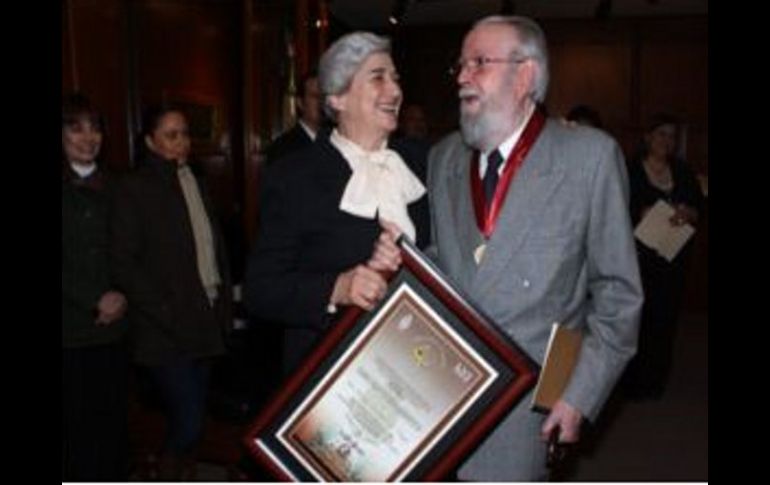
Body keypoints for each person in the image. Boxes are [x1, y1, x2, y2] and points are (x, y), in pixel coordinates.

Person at [370, 16, 643, 480]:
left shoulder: (589, 158)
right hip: (438, 391)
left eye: (479, 63)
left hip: (526, 406)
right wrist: (402, 263)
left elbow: (618, 295)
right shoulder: (444, 157)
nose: (461, 77)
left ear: (526, 76)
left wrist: (580, 395)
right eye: (461, 65)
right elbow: (456, 263)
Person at [243, 31, 429, 379]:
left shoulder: (420, 164)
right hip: (331, 373)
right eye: (378, 78)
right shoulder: (295, 176)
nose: (395, 91)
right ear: (338, 98)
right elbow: (261, 290)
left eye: (395, 79)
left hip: (411, 368)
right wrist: (337, 288)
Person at [111, 104, 232, 480]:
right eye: (170, 135)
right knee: (190, 421)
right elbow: (123, 263)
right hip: (163, 328)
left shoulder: (194, 178)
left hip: (204, 317)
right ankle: (163, 471)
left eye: (184, 134)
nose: (182, 143)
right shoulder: (133, 187)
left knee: (194, 421)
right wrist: (162, 307)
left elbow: (209, 246)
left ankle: (184, 473)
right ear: (149, 141)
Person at [62, 93, 129, 481]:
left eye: (95, 127)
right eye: (75, 128)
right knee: (77, 433)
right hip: (70, 331)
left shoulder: (119, 186)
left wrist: (120, 293)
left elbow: (135, 249)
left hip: (117, 328)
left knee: (114, 427)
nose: (88, 138)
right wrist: (93, 299)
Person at [621, 112, 704, 399]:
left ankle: (655, 382)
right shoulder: (629, 169)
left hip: (672, 256)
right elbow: (615, 207)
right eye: (661, 134)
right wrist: (639, 213)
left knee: (665, 320)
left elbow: (698, 208)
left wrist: (689, 213)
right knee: (637, 319)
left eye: (671, 136)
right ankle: (629, 382)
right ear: (648, 137)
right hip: (638, 257)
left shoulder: (682, 171)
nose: (666, 141)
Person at [264, 71, 323, 166]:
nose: (321, 102)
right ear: (300, 103)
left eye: (324, 96)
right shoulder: (282, 148)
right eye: (315, 96)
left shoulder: (335, 141)